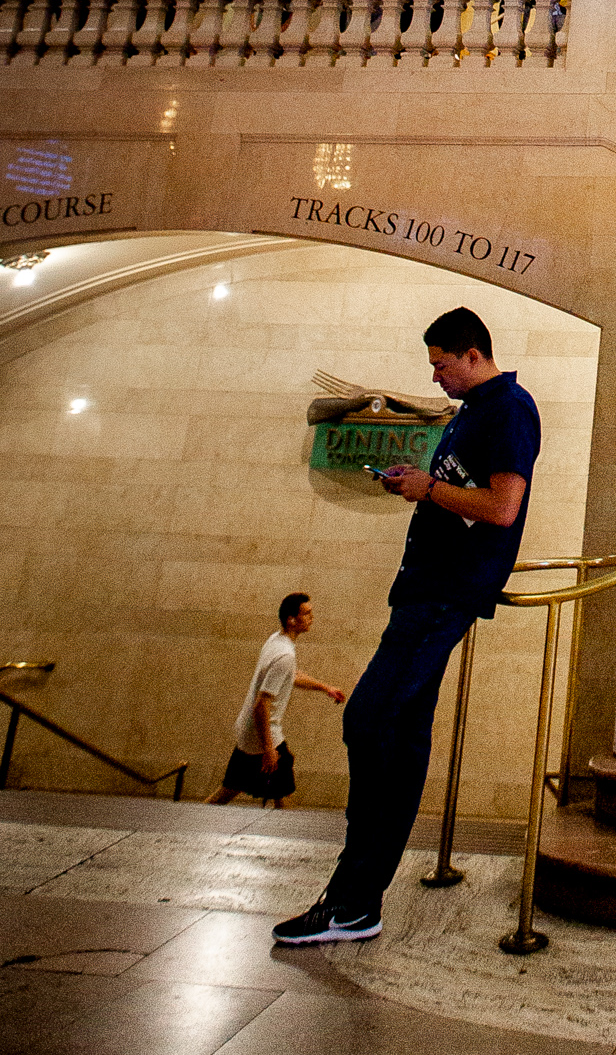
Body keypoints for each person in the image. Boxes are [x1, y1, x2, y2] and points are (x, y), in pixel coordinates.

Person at [273, 308, 541, 943]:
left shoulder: (509, 408)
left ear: (473, 355)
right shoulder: (472, 412)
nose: (436, 377)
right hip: (425, 588)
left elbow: (503, 507)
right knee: (398, 734)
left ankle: (353, 898)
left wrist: (428, 489)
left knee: (370, 722)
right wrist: (414, 485)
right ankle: (357, 903)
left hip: (446, 594)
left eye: (442, 365)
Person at [209, 593, 344, 809]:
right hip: (263, 738)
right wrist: (269, 749)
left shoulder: (276, 641)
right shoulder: (285, 655)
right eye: (307, 613)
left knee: (227, 792)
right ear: (291, 620)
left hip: (250, 735)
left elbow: (291, 676)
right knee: (283, 796)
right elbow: (261, 705)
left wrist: (325, 687)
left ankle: (190, 818)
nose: (312, 617)